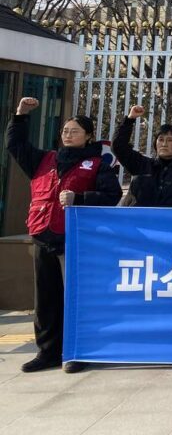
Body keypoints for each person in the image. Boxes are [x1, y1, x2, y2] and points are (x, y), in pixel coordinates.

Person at [6, 98, 121, 373]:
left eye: (75, 131)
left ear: (89, 136)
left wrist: (80, 197)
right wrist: (21, 115)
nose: (68, 134)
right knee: (45, 299)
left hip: (75, 240)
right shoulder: (45, 159)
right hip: (43, 234)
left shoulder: (97, 164)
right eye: (66, 130)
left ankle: (76, 351)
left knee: (75, 298)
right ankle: (47, 352)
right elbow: (15, 145)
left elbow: (112, 196)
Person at [112, 105, 172, 207]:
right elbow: (118, 147)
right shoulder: (143, 164)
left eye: (170, 140)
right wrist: (129, 119)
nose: (164, 144)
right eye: (161, 139)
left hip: (170, 222)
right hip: (136, 221)